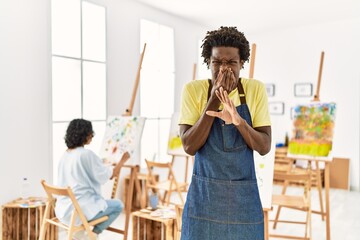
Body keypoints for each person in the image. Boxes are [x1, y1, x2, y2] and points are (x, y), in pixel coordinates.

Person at [179, 26, 271, 239]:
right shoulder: (193, 90)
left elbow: (264, 146)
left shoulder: (255, 89)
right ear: (208, 62)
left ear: (242, 64)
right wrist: (214, 98)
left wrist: (239, 122)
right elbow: (189, 146)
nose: (223, 68)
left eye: (231, 62)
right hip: (204, 200)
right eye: (217, 62)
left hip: (243, 202)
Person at [55, 118, 130, 239]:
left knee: (98, 203)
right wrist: (122, 161)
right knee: (118, 205)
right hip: (79, 210)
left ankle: (81, 234)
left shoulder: (65, 154)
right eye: (90, 133)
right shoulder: (86, 154)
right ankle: (93, 234)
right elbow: (109, 176)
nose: (92, 135)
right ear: (85, 135)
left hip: (63, 210)